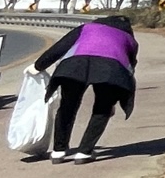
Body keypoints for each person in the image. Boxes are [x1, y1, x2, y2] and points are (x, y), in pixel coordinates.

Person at [31, 14, 139, 163]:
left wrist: (38, 66)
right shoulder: (129, 39)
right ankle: (84, 153)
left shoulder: (87, 28)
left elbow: (61, 46)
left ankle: (58, 151)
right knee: (103, 108)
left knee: (67, 106)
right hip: (110, 69)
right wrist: (115, 99)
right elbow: (129, 66)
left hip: (74, 65)